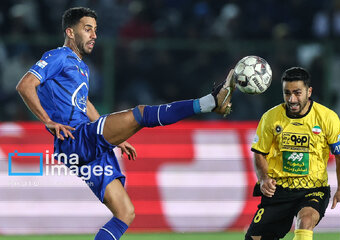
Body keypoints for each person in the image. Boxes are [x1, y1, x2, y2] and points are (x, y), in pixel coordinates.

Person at [15, 7, 235, 240]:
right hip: (75, 138)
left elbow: (84, 103)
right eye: (87, 29)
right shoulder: (58, 56)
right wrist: (48, 121)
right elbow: (25, 85)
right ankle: (211, 102)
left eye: (95, 30)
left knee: (125, 213)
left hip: (85, 142)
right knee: (140, 114)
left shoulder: (82, 67)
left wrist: (115, 136)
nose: (94, 35)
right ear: (70, 32)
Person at [245, 67, 340, 240]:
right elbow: (259, 153)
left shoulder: (327, 118)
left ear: (309, 91)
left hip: (313, 190)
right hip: (279, 191)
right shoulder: (270, 118)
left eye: (297, 93)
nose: (292, 99)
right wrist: (263, 178)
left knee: (306, 220)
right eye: (287, 93)